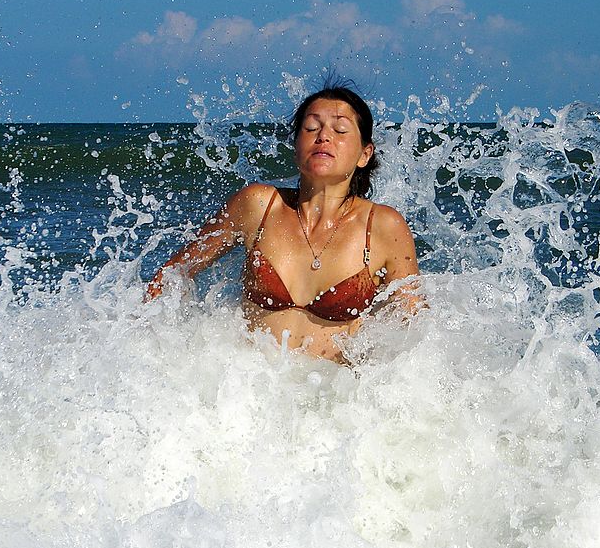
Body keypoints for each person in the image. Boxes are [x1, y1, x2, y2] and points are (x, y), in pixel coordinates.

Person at [146, 82, 420, 364]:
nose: (324, 136)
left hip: (334, 400)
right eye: (311, 128)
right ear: (296, 146)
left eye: (339, 131)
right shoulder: (258, 206)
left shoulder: (383, 226)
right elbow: (172, 275)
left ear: (365, 154)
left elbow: (415, 328)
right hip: (247, 392)